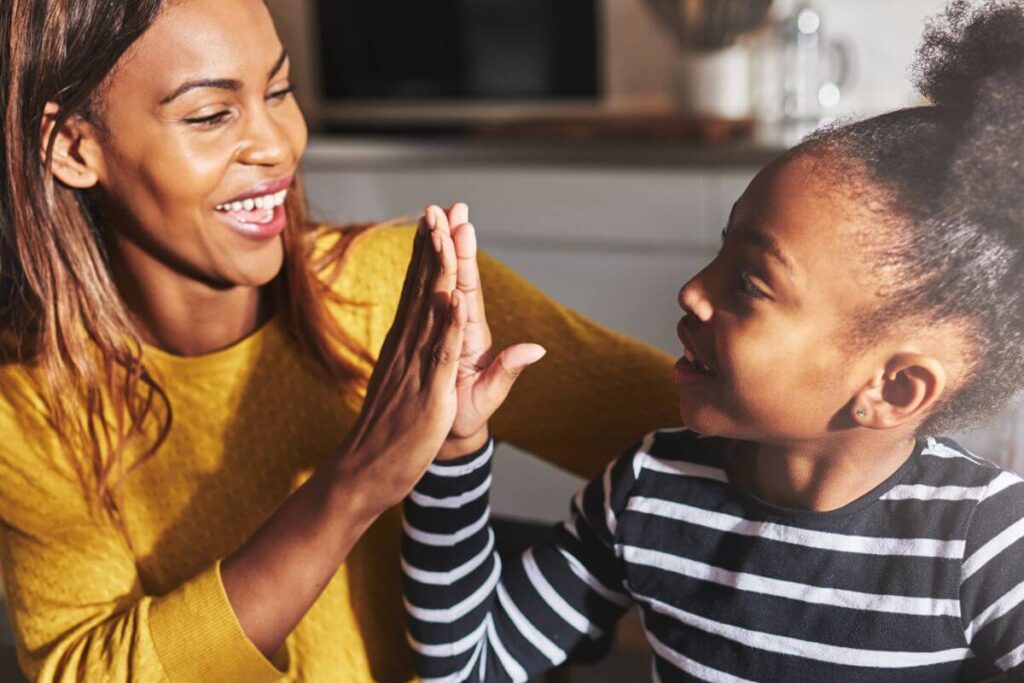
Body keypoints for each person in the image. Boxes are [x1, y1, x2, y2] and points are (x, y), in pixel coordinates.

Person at [0, 0, 679, 681]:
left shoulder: (402, 288)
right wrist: (356, 483)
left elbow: (723, 429)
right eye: (210, 114)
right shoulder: (25, 406)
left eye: (279, 90)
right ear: (72, 146)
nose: (278, 145)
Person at [402, 1, 1024, 680]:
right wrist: (455, 450)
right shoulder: (646, 488)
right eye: (721, 251)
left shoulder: (985, 540)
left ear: (893, 388)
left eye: (750, 283)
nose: (693, 290)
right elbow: (467, 666)